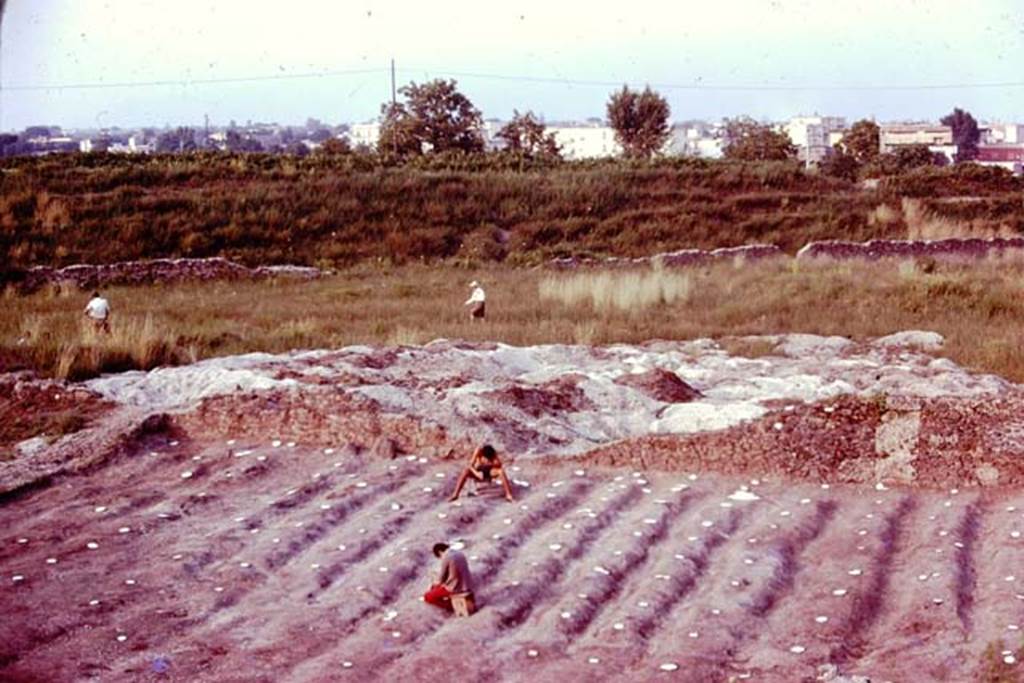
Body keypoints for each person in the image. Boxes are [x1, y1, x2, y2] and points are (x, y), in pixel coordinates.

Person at [448, 444, 514, 502]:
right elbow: (470, 465)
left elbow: (499, 464)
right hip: (478, 472)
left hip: (488, 472)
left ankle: (508, 494)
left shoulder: (493, 455)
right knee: (465, 471)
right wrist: (476, 473)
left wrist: (490, 464)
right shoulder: (478, 451)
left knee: (501, 472)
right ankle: (455, 494)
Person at [423, 542, 474, 611]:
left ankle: (451, 606)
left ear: (440, 552)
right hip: (467, 584)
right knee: (437, 588)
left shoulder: (446, 557)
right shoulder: (459, 553)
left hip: (456, 587)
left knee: (428, 596)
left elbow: (441, 578)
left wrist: (437, 583)